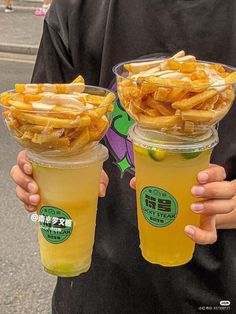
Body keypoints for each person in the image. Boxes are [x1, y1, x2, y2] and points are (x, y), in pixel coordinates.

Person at [10, 0, 236, 313]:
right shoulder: (77, 9)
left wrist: (229, 205)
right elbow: (44, 130)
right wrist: (32, 174)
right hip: (96, 290)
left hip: (213, 293)